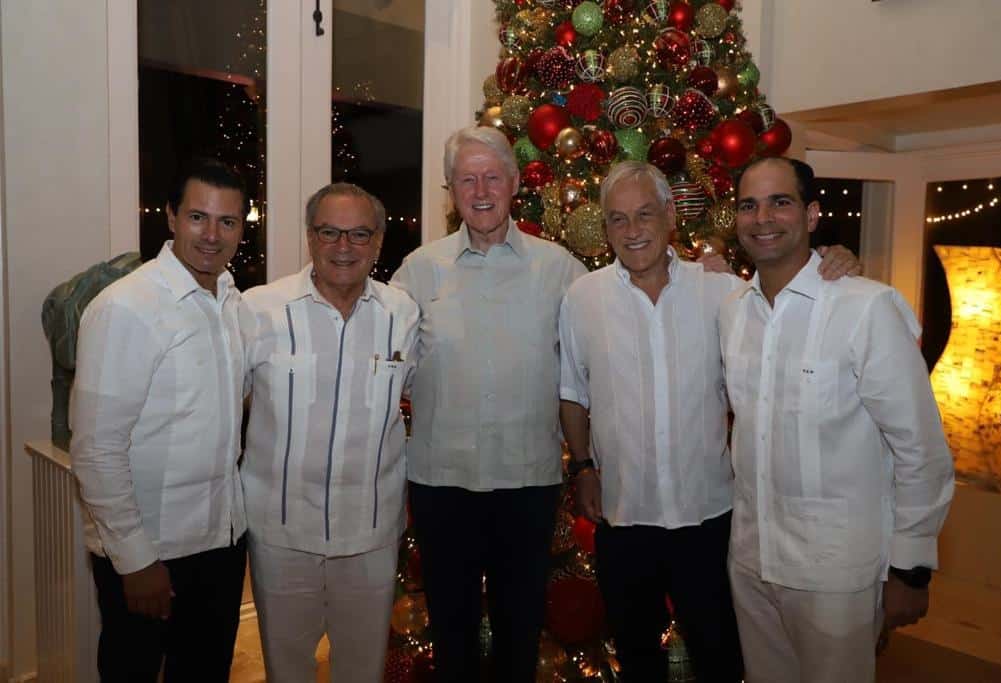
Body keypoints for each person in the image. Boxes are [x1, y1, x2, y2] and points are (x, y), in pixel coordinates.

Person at [558, 160, 861, 683]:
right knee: (637, 661)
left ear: (671, 215)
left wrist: (836, 262)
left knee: (721, 656)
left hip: (711, 518)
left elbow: (787, 319)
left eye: (645, 215)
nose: (633, 232)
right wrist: (583, 465)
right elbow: (571, 393)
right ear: (605, 228)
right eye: (618, 219)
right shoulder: (582, 299)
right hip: (625, 519)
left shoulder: (722, 292)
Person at [720, 157, 954, 682]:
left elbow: (920, 448)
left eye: (780, 202)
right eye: (748, 205)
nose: (763, 217)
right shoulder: (733, 311)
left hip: (835, 573)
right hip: (752, 562)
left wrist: (911, 568)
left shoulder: (866, 308)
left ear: (812, 215)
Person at [389, 125, 587, 682]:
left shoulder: (560, 269)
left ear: (515, 183)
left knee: (519, 630)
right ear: (450, 191)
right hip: (441, 482)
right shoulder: (418, 269)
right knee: (451, 633)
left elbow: (606, 337)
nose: (480, 190)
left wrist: (704, 275)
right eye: (466, 179)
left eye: (492, 177)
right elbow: (379, 355)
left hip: (527, 484)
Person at [70, 157, 249, 682]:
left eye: (228, 221)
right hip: (152, 553)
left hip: (220, 545)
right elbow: (97, 448)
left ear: (243, 226)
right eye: (198, 217)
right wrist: (135, 559)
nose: (212, 235)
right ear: (170, 216)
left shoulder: (233, 304)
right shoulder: (125, 307)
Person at [240, 182, 419, 682]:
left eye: (359, 234)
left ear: (379, 242)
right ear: (310, 237)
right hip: (281, 534)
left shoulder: (403, 315)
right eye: (330, 232)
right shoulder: (258, 310)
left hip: (370, 533)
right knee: (287, 671)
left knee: (362, 672)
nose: (344, 247)